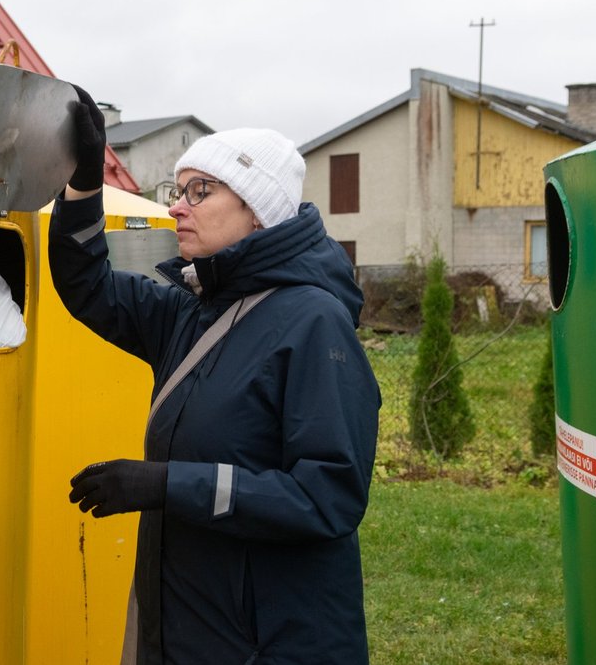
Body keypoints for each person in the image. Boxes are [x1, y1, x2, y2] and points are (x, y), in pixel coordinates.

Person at [48, 86, 381, 665]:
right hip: (188, 625)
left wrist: (165, 484)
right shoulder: (194, 310)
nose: (178, 205)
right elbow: (89, 287)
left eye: (201, 191)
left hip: (268, 643)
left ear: (257, 209)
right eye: (178, 190)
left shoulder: (314, 322)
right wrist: (83, 184)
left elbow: (327, 496)